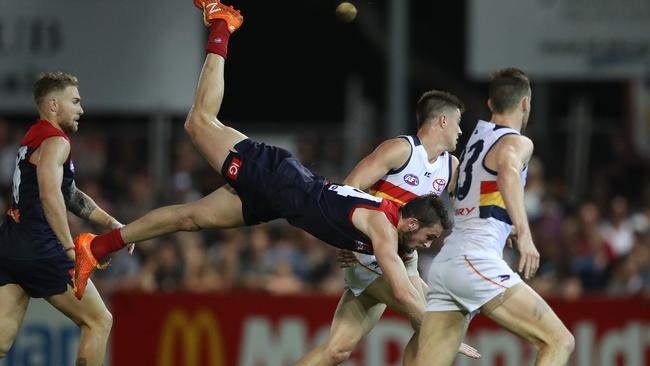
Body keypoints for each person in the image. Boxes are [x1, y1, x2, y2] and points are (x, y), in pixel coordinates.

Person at [72, 1, 451, 334]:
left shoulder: (391, 231)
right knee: (199, 123)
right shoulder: (384, 230)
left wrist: (450, 311)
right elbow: (403, 290)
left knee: (188, 219)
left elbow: (413, 282)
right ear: (412, 223)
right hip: (277, 177)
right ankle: (221, 25)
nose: (428, 246)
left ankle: (97, 246)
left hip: (279, 198)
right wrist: (441, 331)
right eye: (429, 237)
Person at [296, 90, 480, 365]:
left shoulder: (450, 165)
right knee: (442, 320)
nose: (460, 131)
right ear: (442, 121)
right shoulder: (402, 150)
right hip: (372, 254)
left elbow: (466, 207)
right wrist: (351, 243)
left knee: (336, 351)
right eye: (458, 123)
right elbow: (347, 190)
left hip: (405, 261)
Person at [415, 68, 575, 366]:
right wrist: (524, 232)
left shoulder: (476, 139)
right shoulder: (517, 142)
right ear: (525, 104)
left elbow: (468, 189)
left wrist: (504, 220)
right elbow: (507, 170)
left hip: (448, 263)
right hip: (476, 260)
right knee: (559, 341)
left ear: (491, 105)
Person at [0, 72, 124, 366]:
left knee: (2, 341)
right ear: (54, 104)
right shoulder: (57, 142)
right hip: (41, 250)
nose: (81, 109)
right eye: (75, 101)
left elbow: (68, 193)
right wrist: (71, 250)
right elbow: (49, 195)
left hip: (11, 244)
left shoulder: (33, 137)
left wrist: (109, 222)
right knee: (99, 321)